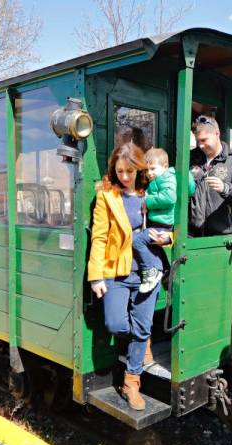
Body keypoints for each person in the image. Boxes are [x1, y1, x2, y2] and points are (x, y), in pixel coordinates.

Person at [87, 143, 160, 411]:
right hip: (116, 272)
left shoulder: (150, 193)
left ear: (139, 169)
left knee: (142, 327)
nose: (125, 176)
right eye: (120, 171)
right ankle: (141, 342)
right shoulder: (107, 196)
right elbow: (99, 236)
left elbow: (167, 222)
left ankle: (132, 382)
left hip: (147, 271)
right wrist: (96, 277)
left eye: (130, 171)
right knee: (116, 324)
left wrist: (168, 238)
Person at [132, 148, 195, 293]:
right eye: (147, 170)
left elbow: (169, 198)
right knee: (154, 247)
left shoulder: (167, 178)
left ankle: (151, 271)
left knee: (138, 242)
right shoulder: (158, 179)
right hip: (159, 223)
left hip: (163, 225)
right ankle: (167, 273)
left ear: (165, 166)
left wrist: (147, 201)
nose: (150, 173)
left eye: (153, 168)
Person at [188, 115, 232, 236]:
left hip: (220, 237)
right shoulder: (190, 157)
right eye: (198, 141)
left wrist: (225, 188)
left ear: (217, 133)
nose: (200, 145)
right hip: (190, 235)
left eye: (204, 140)